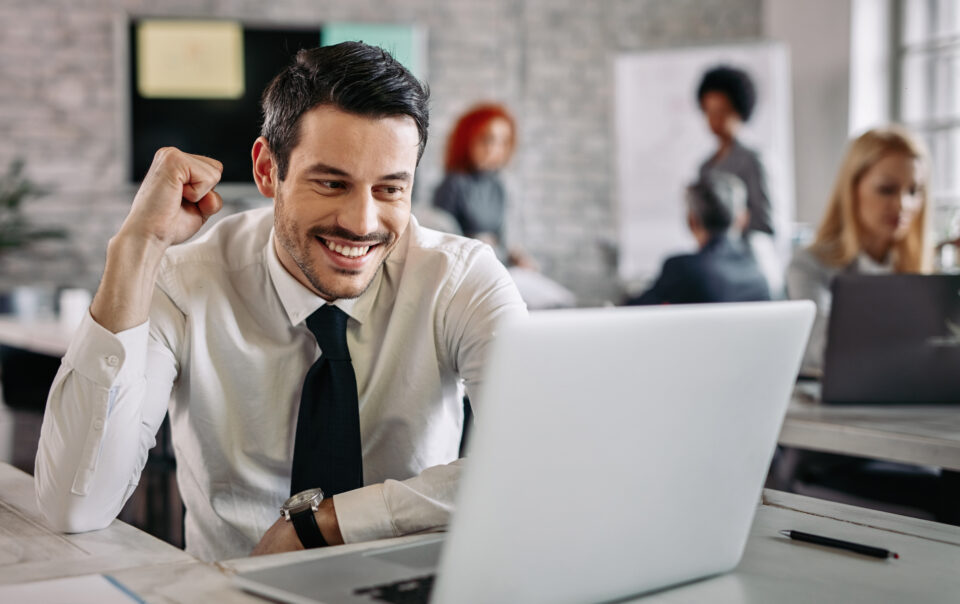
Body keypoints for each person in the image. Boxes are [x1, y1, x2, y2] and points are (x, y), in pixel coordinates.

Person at [34, 42, 527, 562]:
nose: (362, 223)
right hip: (230, 594)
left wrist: (329, 525)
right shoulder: (184, 282)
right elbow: (75, 508)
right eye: (332, 183)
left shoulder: (462, 278)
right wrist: (135, 249)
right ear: (268, 170)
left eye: (388, 190)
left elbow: (538, 457)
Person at [786, 125, 931, 372]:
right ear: (852, 189)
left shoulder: (920, 268)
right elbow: (824, 349)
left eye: (914, 191)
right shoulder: (809, 265)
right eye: (886, 189)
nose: (902, 204)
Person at [626, 172, 770, 305]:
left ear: (691, 221)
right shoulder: (758, 272)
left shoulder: (682, 269)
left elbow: (632, 312)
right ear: (742, 219)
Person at [432, 104, 536, 269]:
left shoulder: (502, 185)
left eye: (503, 142)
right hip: (465, 269)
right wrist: (476, 241)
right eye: (487, 139)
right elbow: (439, 240)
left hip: (500, 267)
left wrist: (517, 256)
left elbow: (507, 237)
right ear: (468, 139)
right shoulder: (453, 184)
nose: (493, 149)